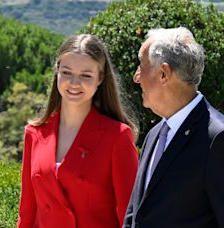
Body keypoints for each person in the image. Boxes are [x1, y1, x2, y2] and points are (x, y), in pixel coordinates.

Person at [123, 27, 224, 228]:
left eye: (142, 66)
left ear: (164, 73)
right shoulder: (154, 135)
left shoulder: (219, 139)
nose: (137, 77)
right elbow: (135, 215)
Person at [17, 34, 139, 228]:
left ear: (100, 78)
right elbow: (27, 213)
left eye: (86, 75)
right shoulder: (34, 133)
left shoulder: (118, 137)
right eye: (66, 72)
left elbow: (130, 216)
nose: (74, 82)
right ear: (57, 72)